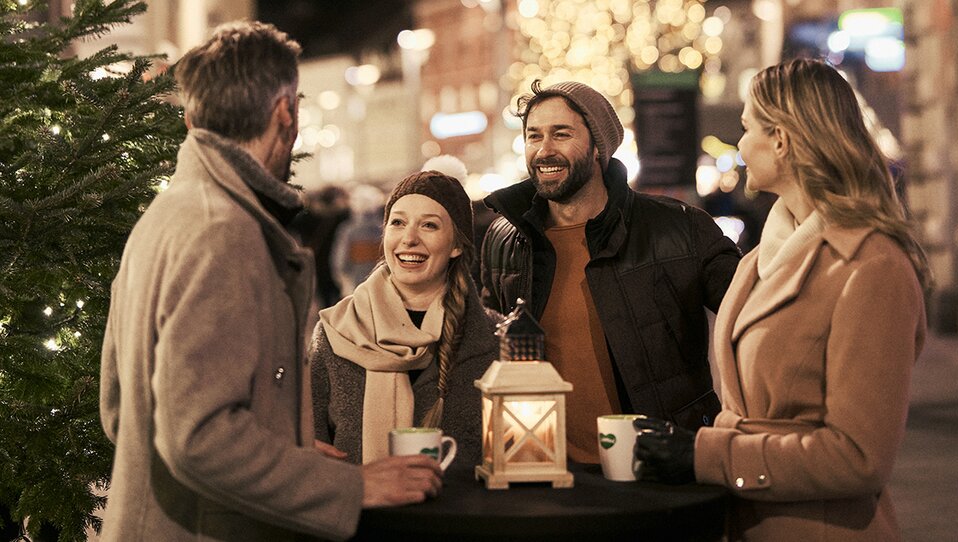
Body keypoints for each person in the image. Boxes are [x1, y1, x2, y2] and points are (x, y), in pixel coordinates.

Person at [98, 22, 440, 542]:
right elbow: (198, 436)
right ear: (285, 112)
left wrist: (282, 453)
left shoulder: (167, 215)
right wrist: (347, 487)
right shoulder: (222, 231)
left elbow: (121, 408)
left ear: (192, 118)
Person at [634, 58, 930, 541]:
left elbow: (859, 458)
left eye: (746, 127)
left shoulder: (872, 266)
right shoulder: (758, 260)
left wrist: (705, 456)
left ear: (781, 140)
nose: (740, 144)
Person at [479, 80, 741, 463]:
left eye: (561, 134)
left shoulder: (679, 228)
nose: (544, 150)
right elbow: (487, 349)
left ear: (598, 147)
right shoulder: (505, 238)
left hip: (659, 466)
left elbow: (757, 319)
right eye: (534, 136)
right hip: (541, 469)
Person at [312, 170, 500, 468]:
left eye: (429, 225)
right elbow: (313, 451)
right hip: (360, 500)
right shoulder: (334, 332)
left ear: (456, 245)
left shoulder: (495, 340)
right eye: (398, 223)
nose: (409, 239)